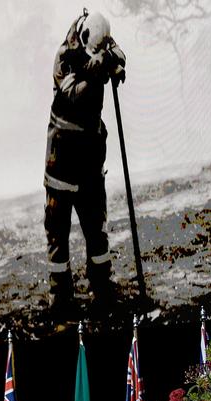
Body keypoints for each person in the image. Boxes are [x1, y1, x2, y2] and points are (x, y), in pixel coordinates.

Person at [43, 9, 126, 317]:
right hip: (62, 162)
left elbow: (118, 53)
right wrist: (104, 67)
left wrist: (114, 63)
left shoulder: (99, 38)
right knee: (58, 231)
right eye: (98, 50)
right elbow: (76, 94)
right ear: (84, 37)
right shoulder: (64, 57)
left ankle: (102, 288)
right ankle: (61, 296)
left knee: (96, 229)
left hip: (91, 161)